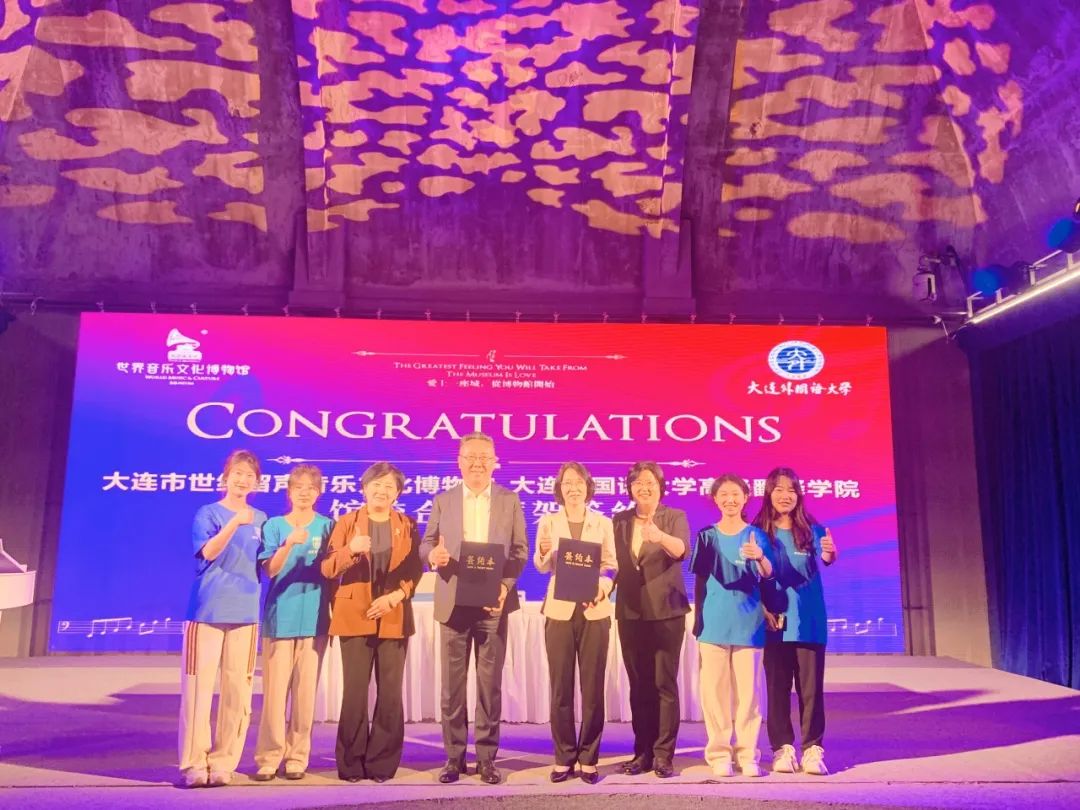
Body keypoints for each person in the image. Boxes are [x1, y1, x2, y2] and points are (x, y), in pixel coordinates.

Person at [418, 432, 528, 786]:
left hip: (493, 602)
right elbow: (426, 544)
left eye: (484, 457)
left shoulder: (509, 500)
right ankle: (453, 758)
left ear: (495, 461)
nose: (478, 463)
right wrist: (432, 556)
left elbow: (520, 550)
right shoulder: (444, 500)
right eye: (471, 457)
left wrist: (504, 586)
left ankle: (486, 759)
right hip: (453, 602)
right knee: (452, 688)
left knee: (488, 686)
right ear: (459, 462)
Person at [321, 462, 422, 782]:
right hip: (354, 616)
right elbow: (327, 568)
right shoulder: (347, 522)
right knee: (354, 693)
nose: (382, 491)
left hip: (393, 615)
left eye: (389, 486)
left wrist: (397, 596)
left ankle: (382, 764)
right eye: (376, 484)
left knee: (390, 693)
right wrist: (350, 550)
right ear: (364, 488)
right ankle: (351, 764)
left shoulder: (407, 524)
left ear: (398, 493)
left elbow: (415, 569)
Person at [179, 449, 267, 788]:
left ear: (257, 483)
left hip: (245, 612)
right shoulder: (208, 513)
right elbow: (209, 552)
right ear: (225, 478)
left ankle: (223, 762)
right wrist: (234, 522)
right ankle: (193, 763)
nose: (242, 480)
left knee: (237, 692)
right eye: (237, 473)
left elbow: (267, 563)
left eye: (249, 475)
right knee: (198, 690)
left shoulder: (261, 519)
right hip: (207, 611)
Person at [534, 462, 618, 785]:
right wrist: (544, 554)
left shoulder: (603, 523)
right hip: (559, 611)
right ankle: (564, 756)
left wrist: (603, 588)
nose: (573, 488)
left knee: (593, 689)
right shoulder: (548, 521)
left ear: (588, 487)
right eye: (567, 483)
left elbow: (611, 564)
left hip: (595, 611)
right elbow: (541, 566)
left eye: (578, 482)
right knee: (561, 688)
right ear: (560, 488)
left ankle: (589, 757)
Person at [753, 467, 838, 776]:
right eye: (778, 489)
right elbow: (750, 576)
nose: (785, 495)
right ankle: (782, 748)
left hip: (808, 621)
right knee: (777, 690)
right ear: (768, 493)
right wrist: (761, 609)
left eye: (791, 490)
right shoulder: (757, 532)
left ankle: (813, 748)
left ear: (799, 495)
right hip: (775, 622)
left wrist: (829, 554)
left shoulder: (812, 530)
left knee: (810, 691)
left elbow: (826, 557)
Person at [691, 473, 775, 778]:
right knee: (714, 694)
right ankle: (719, 754)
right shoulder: (706, 536)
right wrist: (699, 621)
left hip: (748, 623)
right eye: (723, 494)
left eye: (735, 494)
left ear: (745, 498)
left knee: (749, 694)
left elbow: (768, 574)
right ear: (715, 499)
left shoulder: (756, 536)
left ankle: (748, 754)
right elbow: (700, 583)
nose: (730, 500)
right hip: (713, 623)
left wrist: (760, 557)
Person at [252, 464, 333, 781]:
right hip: (280, 619)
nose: (304, 493)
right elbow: (270, 570)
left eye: (311, 488)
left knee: (304, 695)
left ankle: (298, 756)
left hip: (315, 619)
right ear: (289, 492)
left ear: (319, 493)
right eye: (298, 487)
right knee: (274, 695)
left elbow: (334, 569)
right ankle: (270, 756)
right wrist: (289, 544)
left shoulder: (327, 526)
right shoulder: (274, 525)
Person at [611, 461, 690, 778]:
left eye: (649, 482)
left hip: (667, 612)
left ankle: (663, 755)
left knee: (664, 683)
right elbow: (613, 563)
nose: (643, 487)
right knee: (639, 684)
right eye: (637, 482)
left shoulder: (674, 517)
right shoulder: (619, 520)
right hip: (630, 612)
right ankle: (642, 752)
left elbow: (681, 550)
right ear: (630, 488)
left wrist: (659, 536)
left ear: (660, 486)